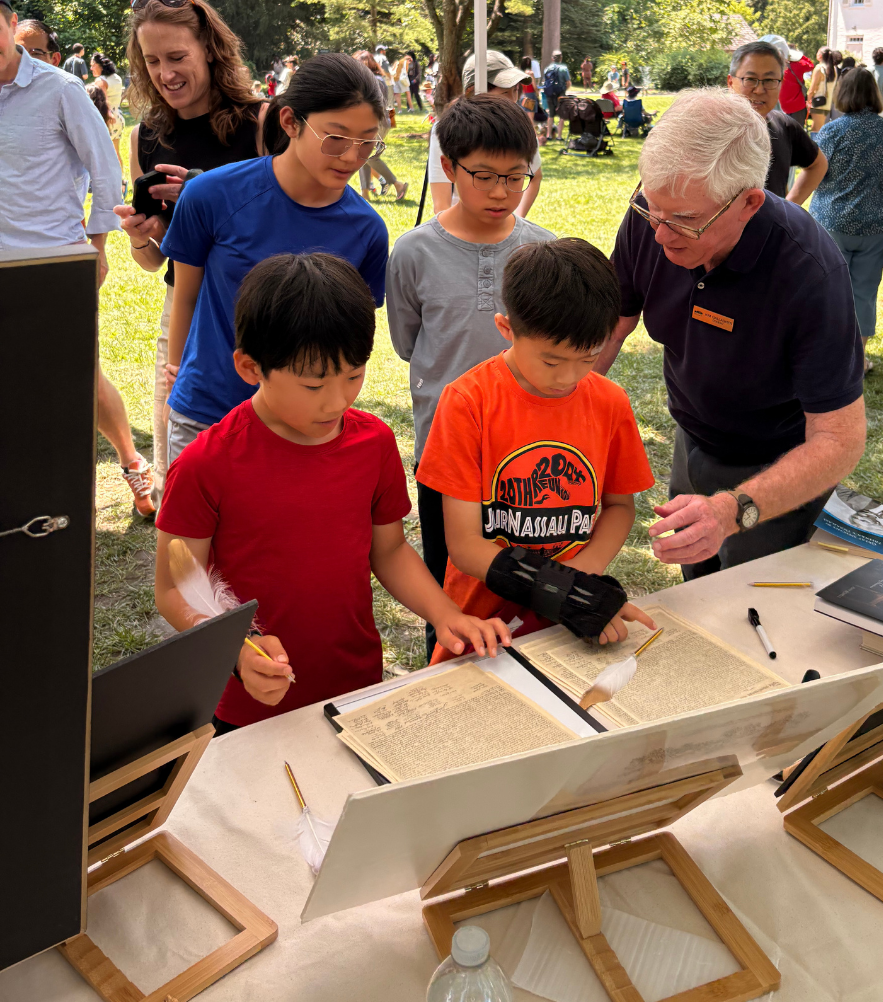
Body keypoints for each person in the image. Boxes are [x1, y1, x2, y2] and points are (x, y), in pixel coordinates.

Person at [155, 252, 509, 731]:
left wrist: (446, 614)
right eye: (314, 384)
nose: (338, 400)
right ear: (249, 366)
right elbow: (175, 587)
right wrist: (238, 652)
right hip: (250, 701)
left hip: (354, 682)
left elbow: (389, 551)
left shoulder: (374, 443)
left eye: (354, 375)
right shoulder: (205, 464)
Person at [597, 89, 865, 574]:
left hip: (779, 462)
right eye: (651, 210)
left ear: (748, 202)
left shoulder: (808, 270)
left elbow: (839, 441)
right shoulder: (660, 210)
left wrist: (732, 509)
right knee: (696, 587)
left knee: (753, 610)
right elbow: (613, 325)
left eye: (684, 221)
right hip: (693, 434)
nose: (659, 235)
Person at [416, 238, 658, 661]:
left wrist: (575, 583)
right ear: (507, 328)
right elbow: (464, 544)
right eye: (551, 361)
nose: (568, 376)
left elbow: (621, 506)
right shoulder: (468, 402)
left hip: (565, 619)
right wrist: (562, 588)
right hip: (481, 619)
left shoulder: (609, 402)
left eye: (588, 358)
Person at [387, 93, 557, 655]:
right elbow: (410, 343)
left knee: (526, 583)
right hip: (446, 450)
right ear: (448, 167)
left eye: (516, 176)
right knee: (449, 580)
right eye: (483, 175)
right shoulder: (412, 253)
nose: (501, 191)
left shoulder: (544, 252)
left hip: (526, 455)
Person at [159, 53, 390, 463]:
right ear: (289, 122)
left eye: (368, 142)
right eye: (335, 139)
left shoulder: (367, 230)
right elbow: (186, 294)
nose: (352, 158)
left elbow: (348, 339)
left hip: (305, 427)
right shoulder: (212, 195)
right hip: (207, 413)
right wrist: (177, 372)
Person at [0, 0, 153, 514]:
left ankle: (132, 462)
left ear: (11, 22)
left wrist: (97, 246)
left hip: (53, 261)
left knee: (77, 370)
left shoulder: (60, 89)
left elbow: (106, 172)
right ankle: (29, 488)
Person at [112, 0, 264, 507]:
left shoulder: (262, 124)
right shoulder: (145, 137)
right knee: (183, 468)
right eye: (151, 61)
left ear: (211, 53)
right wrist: (140, 236)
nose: (165, 73)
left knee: (259, 467)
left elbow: (288, 224)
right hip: (185, 316)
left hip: (260, 313)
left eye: (177, 57)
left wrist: (204, 192)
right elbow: (156, 261)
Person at [792, 68, 883, 375]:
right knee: (864, 294)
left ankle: (824, 358)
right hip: (879, 226)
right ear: (873, 92)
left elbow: (812, 172)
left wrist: (787, 205)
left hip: (832, 224)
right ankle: (856, 361)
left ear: (842, 93)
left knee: (826, 291)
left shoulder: (831, 131)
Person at [428, 50, 542, 217]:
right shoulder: (445, 130)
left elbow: (535, 176)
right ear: (473, 92)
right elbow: (441, 204)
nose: (513, 100)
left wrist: (518, 219)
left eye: (516, 91)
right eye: (504, 93)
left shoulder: (520, 128)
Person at [727, 40, 828, 200]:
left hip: (771, 226)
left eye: (769, 80)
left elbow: (818, 164)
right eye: (750, 79)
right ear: (730, 82)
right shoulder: (709, 128)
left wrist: (789, 208)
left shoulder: (784, 126)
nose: (759, 90)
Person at [352, 49, 408, 202]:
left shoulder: (374, 80)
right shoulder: (377, 79)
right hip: (380, 121)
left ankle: (397, 184)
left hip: (377, 122)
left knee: (370, 156)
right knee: (363, 155)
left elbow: (375, 105)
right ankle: (365, 194)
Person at [775, 39, 814, 126]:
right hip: (797, 106)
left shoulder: (776, 65)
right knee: (797, 134)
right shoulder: (799, 65)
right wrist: (800, 56)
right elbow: (810, 65)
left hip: (780, 106)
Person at [541, 50, 571, 141]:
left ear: (552, 58)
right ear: (561, 58)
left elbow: (545, 82)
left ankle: (549, 135)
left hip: (550, 93)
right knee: (562, 115)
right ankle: (559, 136)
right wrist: (564, 90)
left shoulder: (547, 69)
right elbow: (568, 82)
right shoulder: (564, 69)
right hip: (561, 93)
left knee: (551, 114)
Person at [807, 48, 837, 132]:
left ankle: (815, 145)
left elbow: (812, 88)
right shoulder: (833, 69)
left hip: (817, 102)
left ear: (820, 55)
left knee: (816, 130)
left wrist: (808, 100)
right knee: (817, 127)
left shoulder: (819, 68)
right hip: (827, 103)